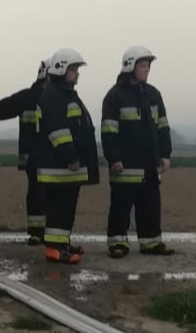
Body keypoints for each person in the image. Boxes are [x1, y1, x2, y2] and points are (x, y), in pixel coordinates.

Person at [99, 44, 174, 257]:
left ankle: (151, 243)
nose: (147, 70)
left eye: (148, 66)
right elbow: (108, 130)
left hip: (149, 164)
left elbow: (163, 126)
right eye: (142, 66)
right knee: (121, 206)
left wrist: (165, 154)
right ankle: (118, 244)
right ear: (130, 66)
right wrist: (114, 158)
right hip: (125, 165)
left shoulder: (153, 95)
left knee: (150, 205)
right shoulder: (115, 96)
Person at [34, 48, 99, 264]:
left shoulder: (62, 94)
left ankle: (62, 244)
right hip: (60, 167)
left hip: (65, 168)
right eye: (74, 69)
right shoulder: (53, 96)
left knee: (66, 208)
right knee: (59, 208)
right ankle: (54, 249)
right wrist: (71, 156)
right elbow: (58, 132)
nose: (77, 73)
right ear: (61, 69)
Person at [0, 60, 48, 243]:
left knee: (38, 192)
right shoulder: (37, 98)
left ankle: (38, 233)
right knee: (42, 192)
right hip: (42, 157)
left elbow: (2, 108)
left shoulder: (28, 96)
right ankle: (40, 232)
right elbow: (1, 109)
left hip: (36, 157)